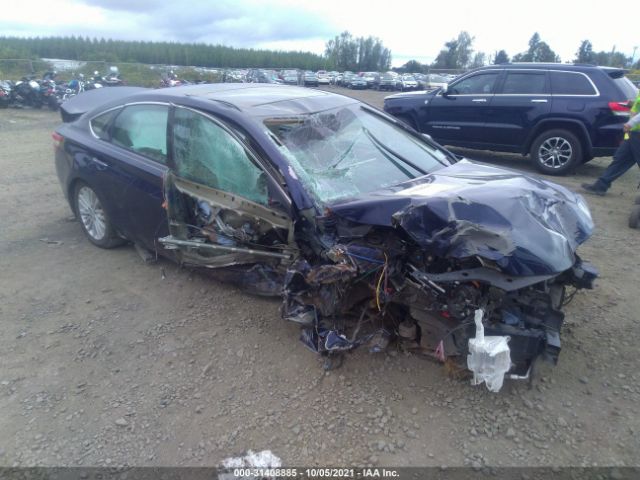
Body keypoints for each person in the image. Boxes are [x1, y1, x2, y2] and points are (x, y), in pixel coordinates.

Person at [582, 93, 640, 195]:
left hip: (636, 132)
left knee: (620, 160)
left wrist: (631, 123)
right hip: (634, 134)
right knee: (620, 159)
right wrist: (632, 104)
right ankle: (600, 186)